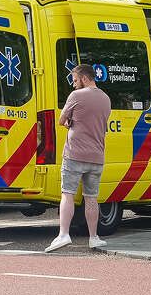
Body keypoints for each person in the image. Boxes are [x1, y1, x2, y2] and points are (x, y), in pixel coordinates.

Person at [46, 64, 112, 253]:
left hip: (75, 154)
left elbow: (61, 120)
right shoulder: (106, 99)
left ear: (84, 78)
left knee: (67, 193)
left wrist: (70, 123)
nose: (74, 85)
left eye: (75, 80)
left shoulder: (76, 96)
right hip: (97, 156)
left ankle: (64, 234)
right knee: (91, 198)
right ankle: (94, 237)